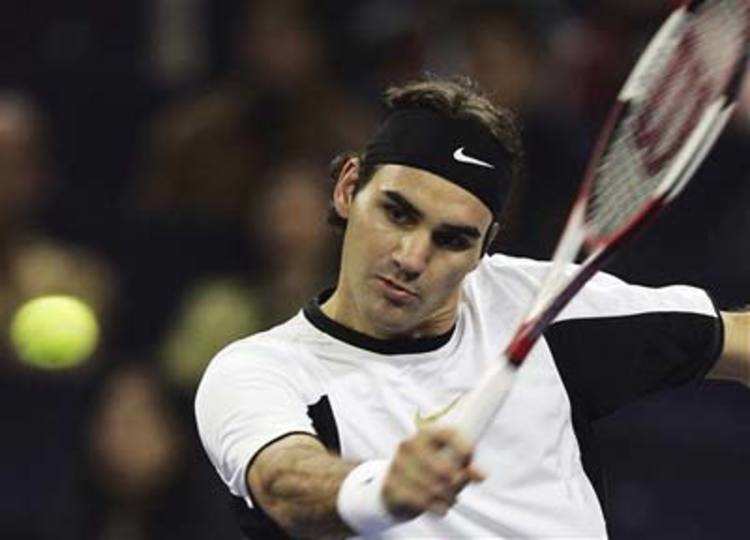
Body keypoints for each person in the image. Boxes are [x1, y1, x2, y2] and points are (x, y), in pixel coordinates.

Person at [194, 76, 750, 539]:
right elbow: (284, 483)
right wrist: (382, 490)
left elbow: (738, 339)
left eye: (453, 239)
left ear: (486, 249)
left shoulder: (541, 305)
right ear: (347, 189)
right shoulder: (258, 369)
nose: (412, 258)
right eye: (397, 213)